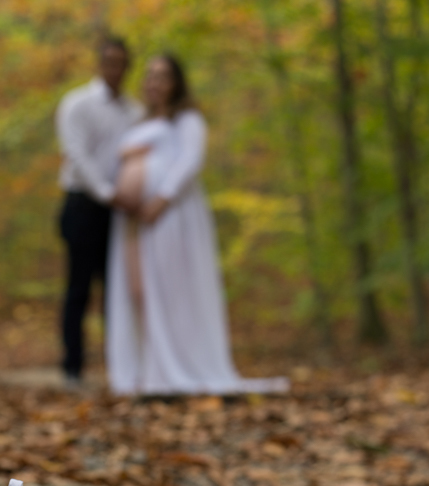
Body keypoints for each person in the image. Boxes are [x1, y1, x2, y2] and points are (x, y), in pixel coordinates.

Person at [106, 55, 290, 396]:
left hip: (170, 216)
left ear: (177, 82)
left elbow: (190, 161)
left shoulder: (188, 119)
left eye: (162, 76)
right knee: (140, 292)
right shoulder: (137, 121)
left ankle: (176, 367)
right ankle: (146, 368)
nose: (153, 82)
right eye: (149, 75)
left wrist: (161, 198)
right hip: (133, 222)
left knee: (172, 290)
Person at [55, 37, 144, 387]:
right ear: (99, 63)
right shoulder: (77, 104)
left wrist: (126, 197)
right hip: (83, 205)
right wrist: (109, 193)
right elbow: (77, 156)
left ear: (127, 66)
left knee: (116, 289)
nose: (114, 69)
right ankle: (72, 367)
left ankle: (117, 365)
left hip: (120, 212)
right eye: (108, 61)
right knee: (78, 287)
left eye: (121, 62)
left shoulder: (134, 112)